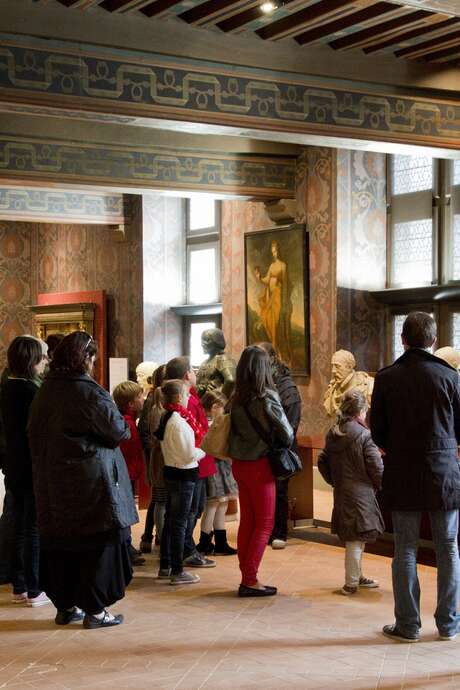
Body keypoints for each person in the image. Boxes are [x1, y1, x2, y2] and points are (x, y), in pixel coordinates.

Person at [28, 331, 138, 629]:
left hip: (52, 483)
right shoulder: (87, 392)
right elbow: (117, 431)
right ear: (85, 358)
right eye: (92, 358)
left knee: (61, 546)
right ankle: (96, 610)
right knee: (97, 547)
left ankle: (66, 606)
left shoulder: (45, 390)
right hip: (89, 485)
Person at [370, 311, 460, 642]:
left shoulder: (388, 377)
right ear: (434, 341)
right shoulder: (450, 377)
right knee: (448, 547)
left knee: (405, 547)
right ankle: (449, 623)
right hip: (444, 473)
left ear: (403, 340)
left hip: (403, 470)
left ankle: (408, 624)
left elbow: (377, 431)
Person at [228, 345, 293, 597]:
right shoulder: (266, 397)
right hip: (260, 465)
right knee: (265, 524)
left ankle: (247, 574)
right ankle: (250, 580)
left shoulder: (236, 397)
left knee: (249, 521)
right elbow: (286, 434)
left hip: (240, 464)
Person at [318, 389, 384, 595]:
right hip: (361, 492)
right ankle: (351, 583)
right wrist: (379, 484)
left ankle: (358, 576)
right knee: (356, 539)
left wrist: (334, 480)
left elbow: (322, 461)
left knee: (356, 536)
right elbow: (376, 466)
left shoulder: (333, 432)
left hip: (343, 491)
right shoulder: (364, 435)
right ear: (361, 411)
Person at [1, 336, 49, 607]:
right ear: (31, 360)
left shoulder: (7, 386)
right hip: (31, 464)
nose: (45, 363)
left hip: (13, 463)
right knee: (32, 527)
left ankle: (19, 585)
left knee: (18, 525)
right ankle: (34, 588)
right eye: (42, 358)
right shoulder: (32, 390)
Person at [164, 356, 216, 568]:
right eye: (193, 371)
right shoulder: (186, 404)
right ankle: (185, 550)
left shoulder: (189, 399)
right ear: (187, 375)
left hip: (193, 462)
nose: (195, 374)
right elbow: (193, 436)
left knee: (191, 510)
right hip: (191, 464)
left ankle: (181, 550)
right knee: (189, 511)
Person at [155, 379, 206, 585]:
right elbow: (188, 455)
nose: (189, 398)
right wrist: (206, 449)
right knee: (179, 523)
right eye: (186, 395)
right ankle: (177, 570)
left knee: (171, 521)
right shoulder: (177, 422)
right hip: (182, 475)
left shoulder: (169, 417)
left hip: (173, 473)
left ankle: (166, 565)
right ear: (178, 398)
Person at [258, 341, 301, 549]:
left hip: (280, 449)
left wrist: (273, 439)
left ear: (272, 359)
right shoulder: (259, 383)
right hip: (261, 448)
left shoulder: (286, 387)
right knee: (264, 491)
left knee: (280, 491)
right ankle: (264, 529)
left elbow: (291, 424)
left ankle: (279, 531)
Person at [197, 390, 237, 556]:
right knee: (212, 504)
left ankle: (221, 541)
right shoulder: (208, 424)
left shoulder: (218, 423)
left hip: (222, 467)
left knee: (223, 503)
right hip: (213, 467)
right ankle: (204, 541)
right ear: (214, 407)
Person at [112, 380, 146, 567]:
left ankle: (127, 545)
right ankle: (125, 546)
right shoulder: (126, 423)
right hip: (126, 473)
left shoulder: (129, 420)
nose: (143, 399)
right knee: (125, 510)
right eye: (140, 397)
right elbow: (127, 453)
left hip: (130, 472)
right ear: (131, 403)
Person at [138, 364, 166, 553]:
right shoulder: (152, 401)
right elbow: (145, 431)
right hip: (157, 456)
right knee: (158, 498)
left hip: (158, 455)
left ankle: (152, 536)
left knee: (158, 498)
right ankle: (149, 536)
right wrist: (153, 452)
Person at [254, 239, 292, 365]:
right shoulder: (271, 266)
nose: (274, 254)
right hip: (270, 296)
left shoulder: (283, 265)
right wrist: (259, 277)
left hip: (277, 296)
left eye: (276, 251)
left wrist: (285, 300)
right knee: (268, 321)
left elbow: (286, 284)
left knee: (275, 324)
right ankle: (274, 352)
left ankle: (278, 353)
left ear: (279, 251)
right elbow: (266, 280)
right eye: (273, 252)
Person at [323, 349, 374, 418]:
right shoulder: (332, 391)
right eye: (333, 366)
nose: (333, 371)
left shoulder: (369, 386)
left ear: (349, 367)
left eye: (337, 367)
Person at [196, 328, 236, 400]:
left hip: (214, 405)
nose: (202, 344)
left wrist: (221, 399)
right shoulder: (205, 362)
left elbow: (231, 380)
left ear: (217, 341)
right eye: (202, 340)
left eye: (207, 340)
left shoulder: (223, 359)